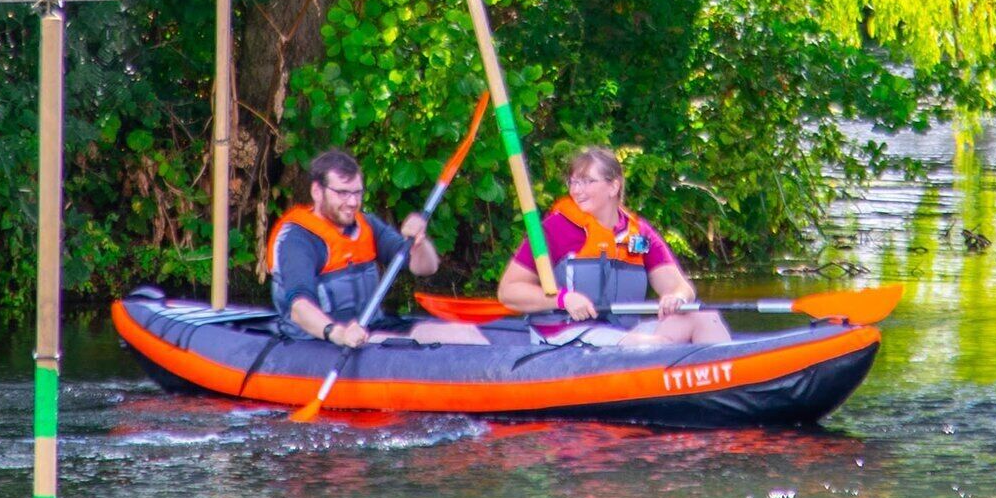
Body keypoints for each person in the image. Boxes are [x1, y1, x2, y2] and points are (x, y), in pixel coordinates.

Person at [495, 147, 731, 346]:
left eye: (588, 181)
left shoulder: (638, 236)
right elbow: (509, 291)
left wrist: (676, 297)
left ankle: (727, 380)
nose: (576, 190)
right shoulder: (555, 229)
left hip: (620, 333)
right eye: (573, 182)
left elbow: (679, 286)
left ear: (613, 186)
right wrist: (563, 299)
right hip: (565, 336)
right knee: (652, 346)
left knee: (705, 318)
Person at [270, 151, 484, 348]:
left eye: (357, 193)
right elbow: (299, 308)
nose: (352, 202)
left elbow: (426, 268)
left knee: (465, 334)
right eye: (342, 193)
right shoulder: (298, 240)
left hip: (371, 326)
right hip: (323, 339)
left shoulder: (367, 225)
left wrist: (419, 242)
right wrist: (338, 334)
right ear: (317, 191)